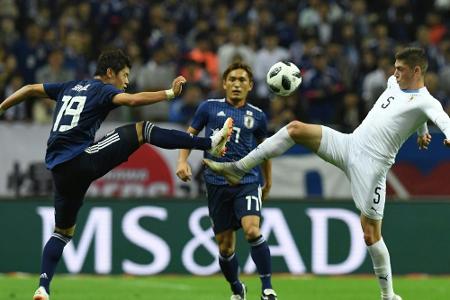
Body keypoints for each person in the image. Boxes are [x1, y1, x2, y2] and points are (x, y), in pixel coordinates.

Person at [205, 47, 450, 300]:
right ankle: (238, 168)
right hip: (349, 144)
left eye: (401, 69)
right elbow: (416, 113)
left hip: (372, 168)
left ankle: (388, 295)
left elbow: (439, 117)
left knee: (370, 233)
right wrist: (422, 132)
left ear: (417, 71)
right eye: (395, 68)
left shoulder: (427, 101)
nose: (394, 73)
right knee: (295, 129)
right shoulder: (393, 83)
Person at [0, 49, 233, 300]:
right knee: (143, 129)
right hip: (81, 160)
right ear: (109, 73)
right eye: (124, 75)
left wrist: (2, 107)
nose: (126, 82)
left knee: (62, 232)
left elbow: (29, 88)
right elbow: (132, 100)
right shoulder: (103, 89)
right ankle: (210, 143)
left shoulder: (69, 85)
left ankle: (43, 287)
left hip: (58, 170)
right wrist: (168, 93)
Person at [176, 62, 277, 300]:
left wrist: (268, 182)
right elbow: (188, 136)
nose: (236, 84)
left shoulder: (258, 116)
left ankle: (268, 289)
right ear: (224, 83)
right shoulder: (208, 108)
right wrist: (182, 161)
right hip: (216, 184)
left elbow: (266, 151)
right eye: (232, 79)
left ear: (250, 86)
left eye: (242, 80)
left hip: (247, 181)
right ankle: (236, 288)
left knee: (252, 231)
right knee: (225, 247)